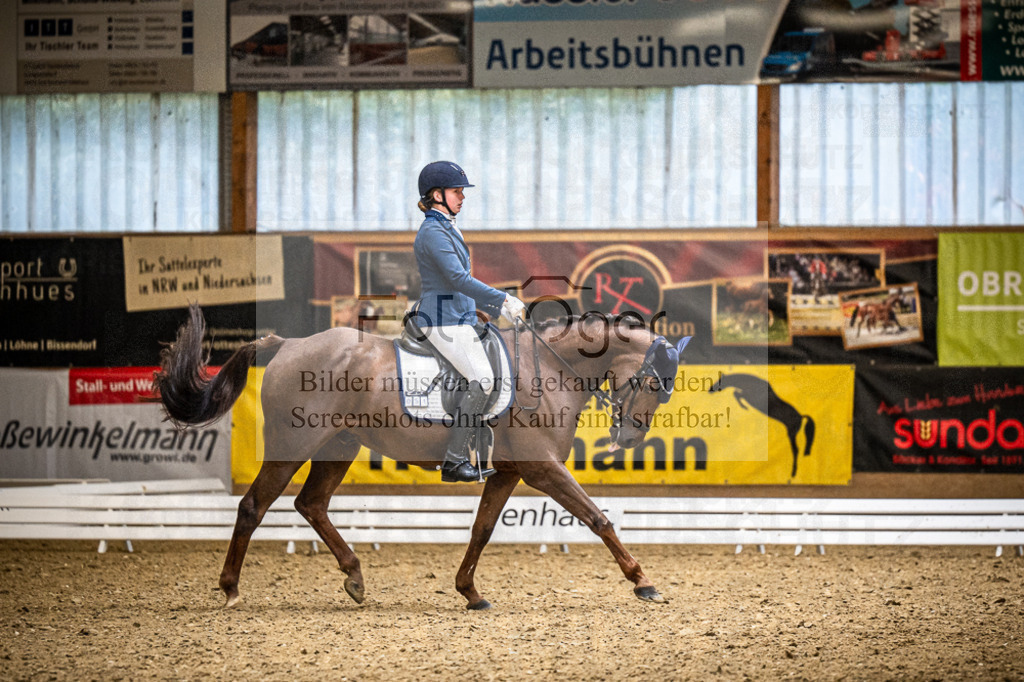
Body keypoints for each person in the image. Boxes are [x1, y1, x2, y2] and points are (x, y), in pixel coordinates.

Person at [412, 161, 525, 482]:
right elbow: (457, 279)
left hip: (459, 316)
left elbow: (458, 285)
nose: (462, 197)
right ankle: (454, 460)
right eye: (456, 191)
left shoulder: (448, 227)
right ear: (437, 195)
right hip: (442, 320)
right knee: (483, 380)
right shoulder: (433, 232)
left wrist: (493, 307)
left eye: (462, 192)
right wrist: (503, 298)